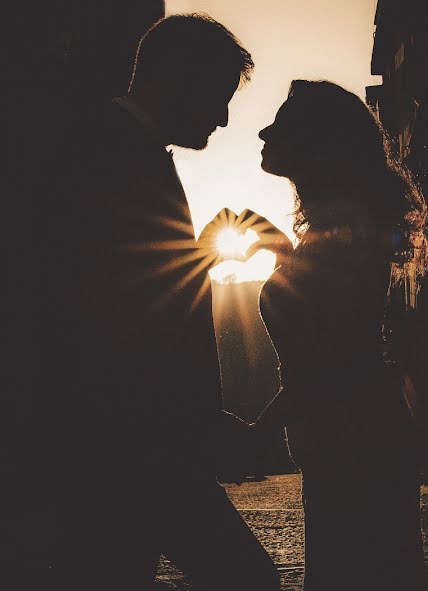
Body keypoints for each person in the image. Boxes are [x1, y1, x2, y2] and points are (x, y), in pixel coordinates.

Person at [47, 14, 278, 591]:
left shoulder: (117, 146)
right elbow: (115, 308)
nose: (223, 119)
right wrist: (189, 422)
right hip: (133, 447)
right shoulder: (113, 153)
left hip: (136, 444)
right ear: (179, 78)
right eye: (219, 97)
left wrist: (197, 256)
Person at [228, 79, 428, 590]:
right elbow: (325, 316)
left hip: (355, 449)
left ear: (319, 144)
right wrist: (281, 249)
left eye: (282, 125)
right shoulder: (336, 225)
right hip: (348, 444)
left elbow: (334, 363)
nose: (263, 130)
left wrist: (255, 434)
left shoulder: (346, 226)